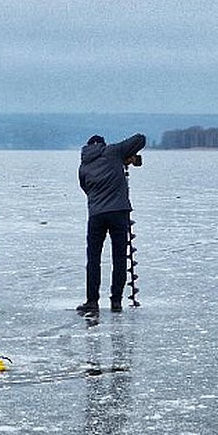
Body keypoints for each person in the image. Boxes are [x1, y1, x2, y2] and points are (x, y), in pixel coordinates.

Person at [77, 133, 146, 316]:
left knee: (93, 259)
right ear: (103, 144)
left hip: (96, 214)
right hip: (118, 212)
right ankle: (116, 301)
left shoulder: (83, 166)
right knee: (119, 258)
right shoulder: (113, 152)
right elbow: (140, 139)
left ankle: (92, 301)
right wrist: (124, 156)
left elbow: (85, 188)